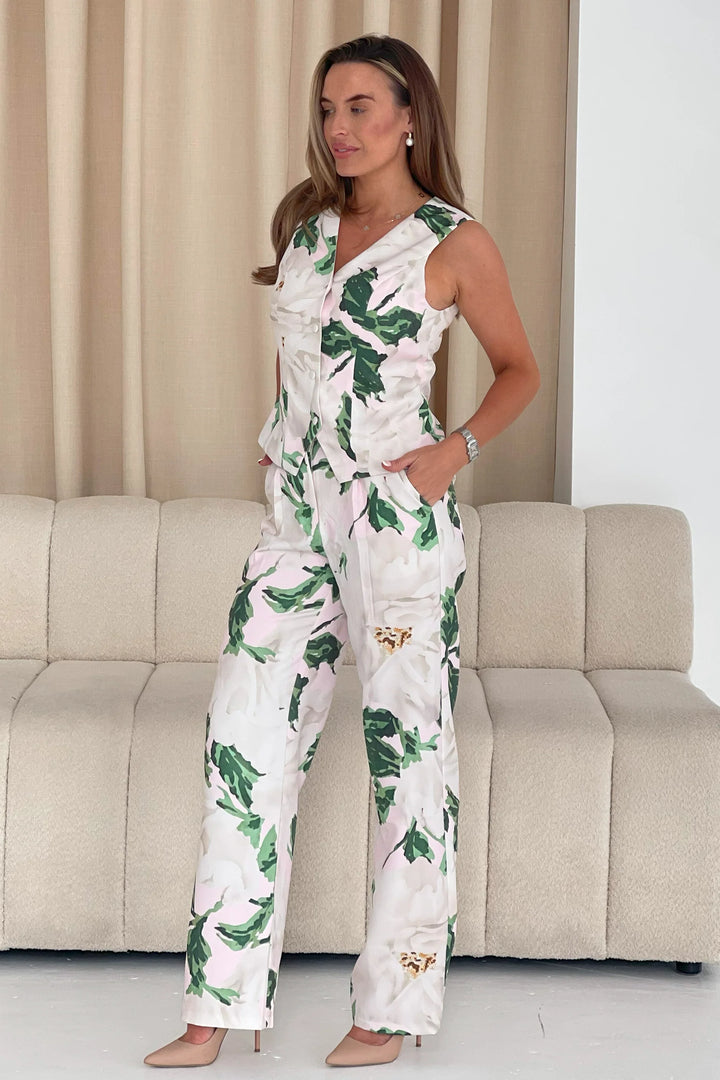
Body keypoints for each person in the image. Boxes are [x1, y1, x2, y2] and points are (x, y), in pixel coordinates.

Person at [144, 32, 539, 1071]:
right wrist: (283, 438)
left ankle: (391, 1011)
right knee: (244, 740)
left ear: (410, 117)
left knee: (409, 758)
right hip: (294, 522)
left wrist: (452, 454)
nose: (339, 128)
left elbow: (519, 369)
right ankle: (219, 1007)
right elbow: (300, 362)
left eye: (361, 106)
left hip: (395, 522)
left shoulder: (455, 241)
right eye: (328, 109)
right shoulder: (307, 228)